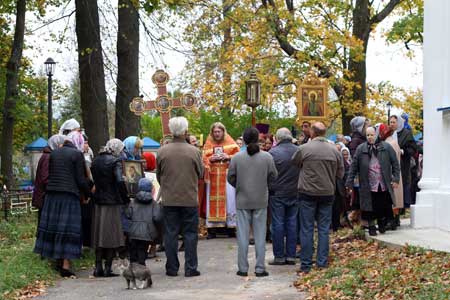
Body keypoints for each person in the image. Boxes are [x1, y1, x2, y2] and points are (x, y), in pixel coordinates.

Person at [34, 132, 92, 278]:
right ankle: (65, 266)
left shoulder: (54, 153)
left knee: (55, 228)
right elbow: (79, 179)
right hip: (68, 196)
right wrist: (89, 193)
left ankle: (56, 261)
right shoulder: (76, 155)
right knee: (67, 230)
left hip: (52, 196)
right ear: (77, 142)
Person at [292, 122, 344, 273]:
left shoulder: (304, 149)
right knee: (323, 229)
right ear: (324, 133)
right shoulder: (334, 150)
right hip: (327, 193)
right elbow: (340, 173)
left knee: (307, 228)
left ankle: (306, 264)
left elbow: (294, 162)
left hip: (307, 193)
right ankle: (322, 262)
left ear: (313, 133)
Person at [227, 127, 277, 277]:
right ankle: (260, 268)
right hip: (261, 198)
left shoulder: (236, 158)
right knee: (260, 234)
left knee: (242, 235)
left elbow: (231, 177)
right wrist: (264, 185)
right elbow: (273, 176)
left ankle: (242, 268)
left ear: (244, 139)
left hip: (242, 199)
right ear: (257, 139)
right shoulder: (267, 157)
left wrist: (240, 186)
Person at [157, 117, 203, 277]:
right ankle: (190, 268)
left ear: (171, 131)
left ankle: (171, 268)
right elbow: (201, 173)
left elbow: (158, 175)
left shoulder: (162, 151)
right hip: (189, 198)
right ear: (185, 131)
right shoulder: (194, 151)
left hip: (169, 199)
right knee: (190, 234)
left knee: (170, 233)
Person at [346, 127, 400, 236]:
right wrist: (349, 182)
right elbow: (353, 167)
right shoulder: (361, 149)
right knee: (368, 206)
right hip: (368, 183)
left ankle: (381, 223)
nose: (370, 137)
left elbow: (395, 164)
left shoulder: (386, 147)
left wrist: (396, 179)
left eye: (372, 135)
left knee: (381, 204)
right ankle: (371, 226)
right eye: (368, 135)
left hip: (383, 182)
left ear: (376, 134)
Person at [91, 138, 129, 277]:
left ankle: (97, 267)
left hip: (98, 202)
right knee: (112, 235)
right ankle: (107, 268)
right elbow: (119, 180)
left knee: (99, 235)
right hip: (112, 202)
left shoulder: (95, 160)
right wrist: (125, 198)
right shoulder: (115, 161)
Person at [202, 122, 240, 239]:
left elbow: (239, 157)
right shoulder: (208, 143)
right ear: (212, 133)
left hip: (227, 177)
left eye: (219, 131)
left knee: (229, 202)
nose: (217, 134)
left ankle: (230, 228)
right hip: (213, 177)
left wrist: (228, 157)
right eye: (215, 132)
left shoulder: (231, 143)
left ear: (223, 132)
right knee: (212, 202)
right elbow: (203, 159)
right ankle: (213, 229)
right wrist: (210, 159)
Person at [267, 128, 299, 266]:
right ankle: (291, 255)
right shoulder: (298, 150)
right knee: (292, 223)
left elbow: (268, 173)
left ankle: (279, 256)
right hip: (295, 192)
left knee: (278, 223)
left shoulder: (272, 153)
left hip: (277, 193)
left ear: (277, 138)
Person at [128, 178, 162, 266]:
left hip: (133, 231)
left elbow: (128, 214)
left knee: (133, 249)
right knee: (142, 249)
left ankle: (133, 265)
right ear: (151, 189)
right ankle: (141, 265)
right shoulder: (154, 204)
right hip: (147, 232)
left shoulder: (133, 202)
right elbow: (157, 218)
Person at [32, 134, 66, 225]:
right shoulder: (48, 157)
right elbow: (45, 178)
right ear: (57, 144)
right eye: (62, 145)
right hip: (44, 197)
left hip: (43, 196)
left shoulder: (47, 155)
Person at [378, 124, 403, 229]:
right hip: (396, 174)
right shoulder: (394, 142)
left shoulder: (388, 144)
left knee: (392, 199)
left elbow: (390, 161)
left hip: (391, 175)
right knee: (395, 199)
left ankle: (392, 221)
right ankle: (396, 220)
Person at [389, 115, 417, 208]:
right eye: (390, 122)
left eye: (394, 122)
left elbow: (413, 148)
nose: (392, 124)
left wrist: (403, 151)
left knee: (403, 185)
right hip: (390, 165)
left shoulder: (406, 133)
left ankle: (403, 206)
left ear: (399, 123)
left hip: (403, 164)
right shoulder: (388, 133)